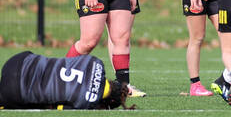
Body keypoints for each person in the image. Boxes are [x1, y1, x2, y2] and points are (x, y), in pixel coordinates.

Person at [0, 51, 135, 110]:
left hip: (18, 60)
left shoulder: (96, 61)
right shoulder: (86, 103)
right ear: (108, 102)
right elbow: (55, 108)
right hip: (15, 90)